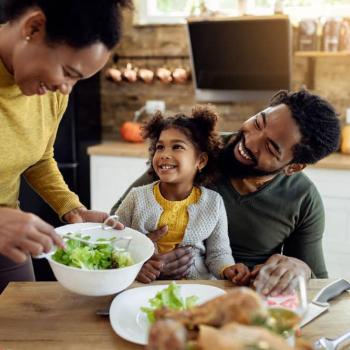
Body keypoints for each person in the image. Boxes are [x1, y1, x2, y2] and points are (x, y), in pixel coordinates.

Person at [111, 89, 341, 296]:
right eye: (259, 122)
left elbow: (319, 285)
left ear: (293, 167)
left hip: (244, 305)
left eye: (270, 147)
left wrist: (300, 268)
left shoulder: (303, 199)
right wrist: (141, 255)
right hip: (160, 293)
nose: (250, 141)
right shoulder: (196, 151)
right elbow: (117, 223)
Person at [0, 0, 131, 292]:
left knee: (24, 332)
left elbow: (39, 157)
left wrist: (72, 208)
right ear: (33, 28)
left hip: (10, 237)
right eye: (68, 71)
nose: (66, 88)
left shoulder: (51, 92)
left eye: (77, 80)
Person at [115, 106, 250, 284]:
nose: (164, 154)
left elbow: (219, 253)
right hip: (144, 286)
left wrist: (228, 270)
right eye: (160, 147)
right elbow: (115, 242)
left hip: (197, 287)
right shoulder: (136, 197)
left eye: (177, 147)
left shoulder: (213, 202)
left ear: (200, 160)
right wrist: (136, 265)